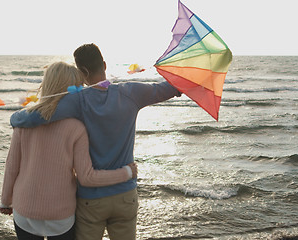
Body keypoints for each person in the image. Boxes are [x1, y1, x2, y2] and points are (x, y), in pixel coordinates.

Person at [10, 43, 181, 240]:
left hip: (91, 200)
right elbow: (169, 89)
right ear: (105, 65)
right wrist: (193, 78)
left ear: (81, 72)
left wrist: (14, 120)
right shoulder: (131, 92)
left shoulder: (77, 101)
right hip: (125, 194)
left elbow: (36, 116)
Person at [0, 61, 137, 240]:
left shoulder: (23, 122)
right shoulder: (76, 128)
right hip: (60, 214)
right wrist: (127, 172)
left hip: (25, 210)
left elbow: (12, 168)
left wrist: (5, 201)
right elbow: (87, 177)